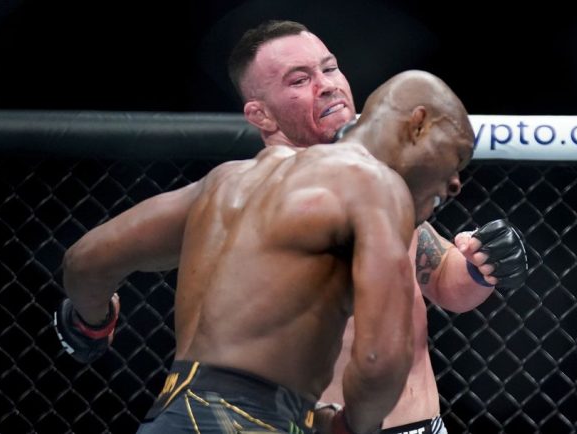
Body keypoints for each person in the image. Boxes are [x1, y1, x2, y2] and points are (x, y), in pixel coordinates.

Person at [53, 69, 478, 434]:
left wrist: (93, 323)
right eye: (457, 157)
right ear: (417, 124)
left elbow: (85, 261)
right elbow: (381, 359)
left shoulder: (227, 181)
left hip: (173, 413)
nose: (457, 183)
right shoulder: (377, 186)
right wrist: (349, 427)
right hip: (261, 419)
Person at [225, 20, 528, 434]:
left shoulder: (380, 179)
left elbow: (442, 280)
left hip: (418, 424)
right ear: (260, 114)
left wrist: (483, 262)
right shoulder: (248, 202)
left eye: (329, 69)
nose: (326, 85)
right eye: (300, 80)